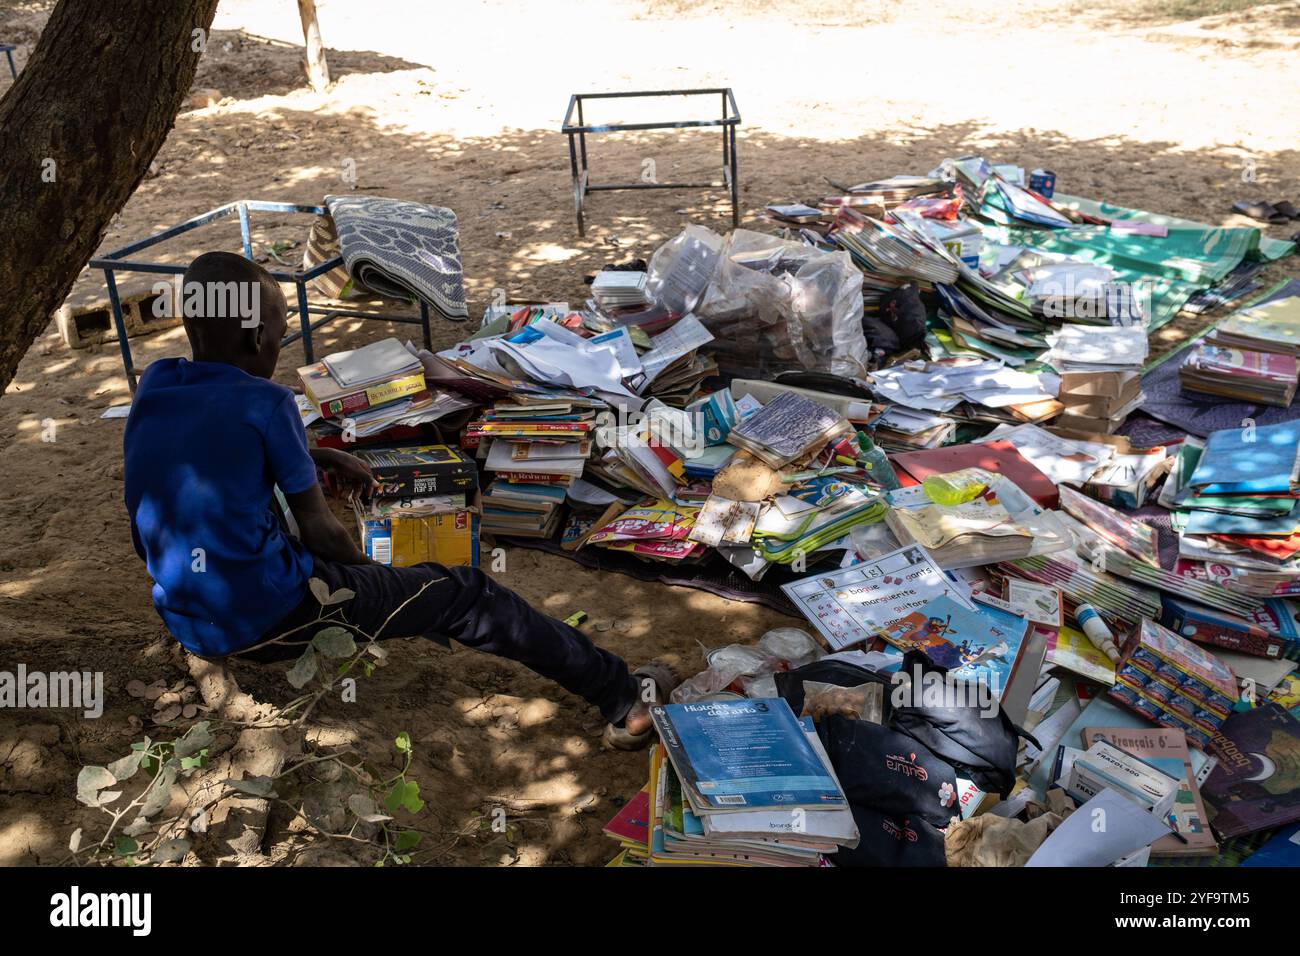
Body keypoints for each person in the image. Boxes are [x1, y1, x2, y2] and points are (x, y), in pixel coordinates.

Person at [123, 251, 669, 748]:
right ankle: (623, 698)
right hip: (268, 618)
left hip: (189, 617)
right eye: (281, 332)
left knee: (250, 517)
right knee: (467, 592)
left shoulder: (157, 383)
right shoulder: (266, 402)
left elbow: (217, 444)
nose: (280, 343)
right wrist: (384, 586)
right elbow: (322, 534)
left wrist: (313, 453)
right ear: (255, 338)